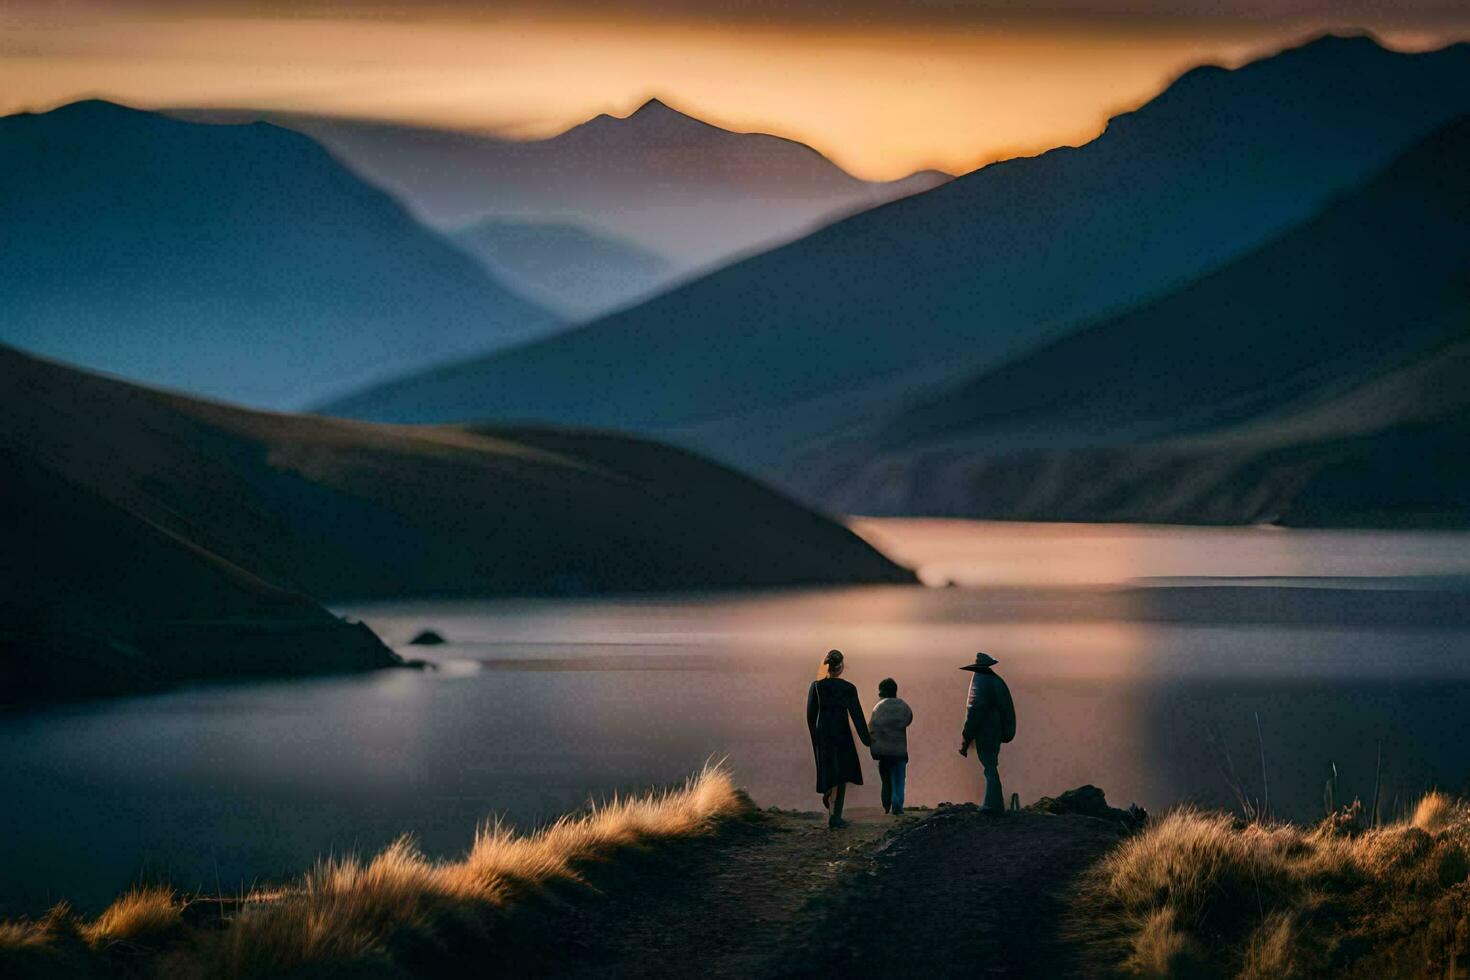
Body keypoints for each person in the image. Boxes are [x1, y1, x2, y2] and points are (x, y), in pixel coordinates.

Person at [806, 649, 871, 829]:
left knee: (828, 769)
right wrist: (868, 740)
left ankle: (830, 804)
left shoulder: (817, 687)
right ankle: (836, 816)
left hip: (823, 733)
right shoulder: (848, 688)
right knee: (841, 774)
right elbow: (857, 715)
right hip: (841, 733)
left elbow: (810, 716)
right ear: (841, 666)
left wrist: (815, 737)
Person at [957, 652, 1015, 814]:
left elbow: (974, 711)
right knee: (990, 765)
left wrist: (966, 738)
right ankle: (994, 802)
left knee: (989, 767)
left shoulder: (980, 682)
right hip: (995, 730)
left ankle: (993, 804)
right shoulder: (997, 681)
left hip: (986, 731)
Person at [868, 677, 914, 816]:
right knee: (899, 779)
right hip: (899, 751)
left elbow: (872, 726)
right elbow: (909, 719)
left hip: (883, 752)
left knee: (886, 780)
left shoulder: (878, 707)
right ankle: (897, 805)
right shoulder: (903, 706)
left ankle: (886, 805)